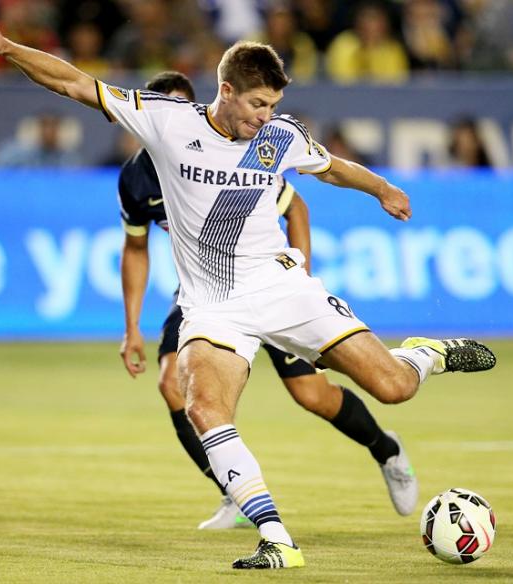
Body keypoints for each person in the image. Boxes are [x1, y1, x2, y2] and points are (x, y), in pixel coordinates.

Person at [0, 24, 496, 570]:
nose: (265, 116)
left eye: (272, 105)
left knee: (393, 387)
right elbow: (74, 83)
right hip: (214, 308)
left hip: (282, 287)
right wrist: (7, 48)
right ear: (225, 91)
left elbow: (332, 169)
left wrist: (382, 188)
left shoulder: (278, 137)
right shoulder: (167, 121)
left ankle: (424, 354)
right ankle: (276, 539)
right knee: (201, 404)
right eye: (257, 104)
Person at [118, 70, 418, 530]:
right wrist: (131, 326)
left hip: (266, 284)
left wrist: (300, 278)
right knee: (172, 385)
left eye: (183, 105)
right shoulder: (137, 179)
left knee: (311, 394)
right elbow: (135, 248)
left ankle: (386, 449)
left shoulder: (233, 153)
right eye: (165, 108)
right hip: (204, 297)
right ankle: (234, 494)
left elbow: (295, 205)